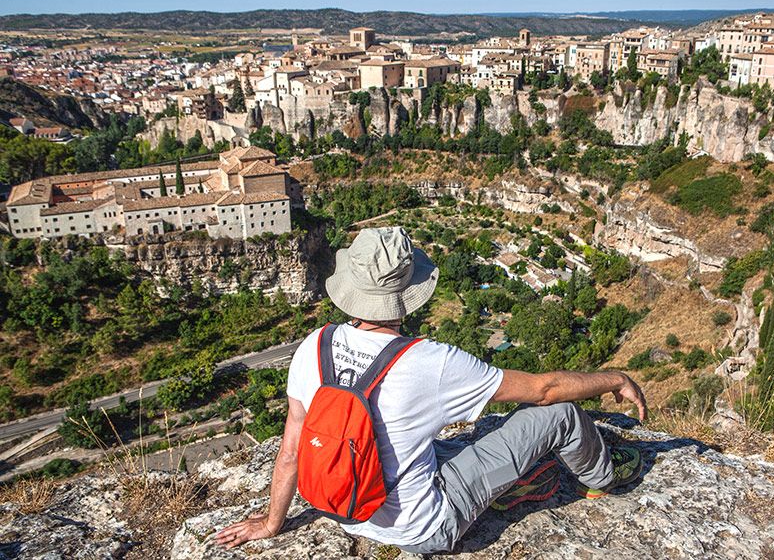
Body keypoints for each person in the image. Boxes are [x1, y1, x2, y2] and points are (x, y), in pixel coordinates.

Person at [216, 226, 647, 553]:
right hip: (424, 528)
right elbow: (546, 390)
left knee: (442, 445)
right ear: (409, 292)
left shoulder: (316, 344)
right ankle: (603, 479)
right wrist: (616, 378)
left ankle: (509, 484)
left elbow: (292, 447)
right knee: (563, 417)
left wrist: (274, 522)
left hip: (343, 508)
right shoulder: (431, 362)